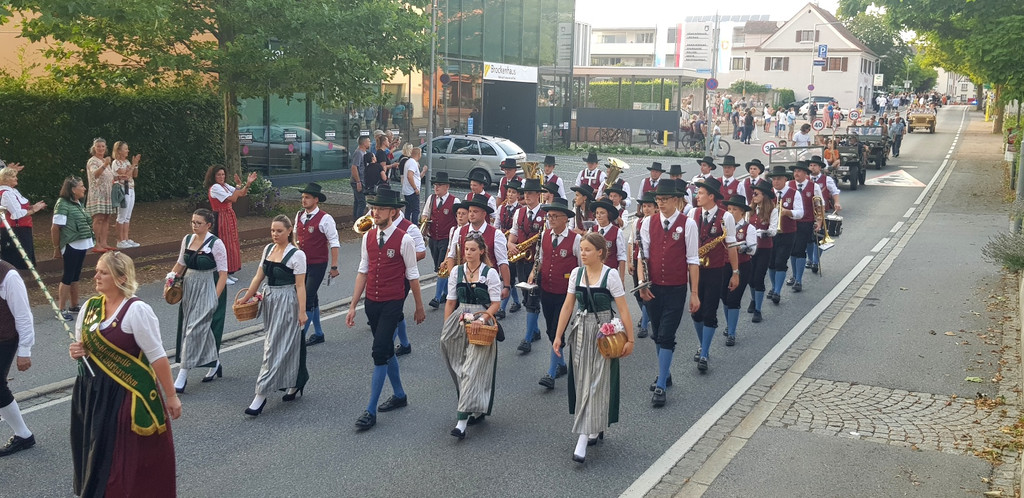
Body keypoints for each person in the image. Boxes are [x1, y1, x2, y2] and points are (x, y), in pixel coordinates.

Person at [69, 251, 181, 496]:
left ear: (120, 278)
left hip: (125, 395)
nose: (96, 276)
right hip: (92, 393)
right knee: (95, 454)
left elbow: (158, 357)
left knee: (119, 461)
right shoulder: (90, 307)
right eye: (97, 270)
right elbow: (84, 348)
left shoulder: (137, 310)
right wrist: (78, 351)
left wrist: (171, 396)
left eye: (103, 272)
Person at [345, 189, 426, 430]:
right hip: (372, 302)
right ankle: (400, 395)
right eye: (373, 208)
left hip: (393, 302)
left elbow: (413, 276)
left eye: (379, 209)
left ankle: (370, 410)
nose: (374, 212)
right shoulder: (367, 237)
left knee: (379, 352)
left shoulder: (405, 239)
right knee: (387, 350)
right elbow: (363, 271)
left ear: (393, 212)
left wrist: (419, 307)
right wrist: (352, 306)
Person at [552, 232, 634, 463]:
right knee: (581, 381)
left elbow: (624, 309)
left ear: (600, 252)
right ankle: (593, 427)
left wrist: (630, 339)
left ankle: (582, 438)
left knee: (596, 382)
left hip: (603, 333)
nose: (583, 253)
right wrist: (558, 335)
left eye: (587, 250)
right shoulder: (577, 273)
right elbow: (568, 306)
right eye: (581, 249)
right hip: (580, 331)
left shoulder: (611, 276)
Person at [236, 215, 309, 416]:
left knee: (276, 347)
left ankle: (261, 394)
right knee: (278, 343)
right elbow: (258, 277)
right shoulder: (268, 250)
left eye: (279, 231)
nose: (275, 234)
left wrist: (302, 312)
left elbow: (301, 285)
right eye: (272, 231)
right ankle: (294, 382)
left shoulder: (297, 255)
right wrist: (246, 298)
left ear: (289, 231)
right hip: (270, 301)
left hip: (288, 301)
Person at [637, 182, 699, 407]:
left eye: (664, 199)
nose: (660, 203)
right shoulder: (647, 222)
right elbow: (642, 255)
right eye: (658, 199)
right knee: (657, 331)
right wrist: (642, 283)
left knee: (667, 334)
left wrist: (695, 293)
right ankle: (665, 372)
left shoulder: (688, 224)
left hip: (676, 287)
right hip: (653, 286)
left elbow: (693, 260)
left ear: (676, 200)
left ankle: (661, 384)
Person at [440, 235, 502, 439]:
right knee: (457, 364)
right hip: (459, 320)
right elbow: (450, 302)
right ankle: (474, 405)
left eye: (473, 249)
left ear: (481, 251)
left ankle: (461, 422)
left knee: (471, 369)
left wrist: (483, 319)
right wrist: (447, 327)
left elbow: (495, 304)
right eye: (466, 249)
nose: (468, 253)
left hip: (481, 322)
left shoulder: (490, 274)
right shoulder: (457, 271)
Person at [168, 208, 227, 393]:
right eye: (193, 222)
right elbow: (180, 264)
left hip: (207, 285)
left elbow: (224, 274)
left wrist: (214, 299)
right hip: (189, 287)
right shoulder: (187, 240)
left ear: (208, 225)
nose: (194, 226)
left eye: (198, 223)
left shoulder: (216, 244)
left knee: (194, 330)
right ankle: (215, 363)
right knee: (195, 328)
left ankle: (182, 373)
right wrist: (170, 281)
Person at [527, 197, 581, 390]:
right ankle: (562, 364)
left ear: (565, 218)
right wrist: (533, 273)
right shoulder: (545, 235)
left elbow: (582, 267)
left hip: (566, 293)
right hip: (547, 289)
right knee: (550, 327)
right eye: (549, 216)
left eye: (555, 216)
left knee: (557, 329)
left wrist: (581, 293)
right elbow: (541, 258)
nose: (550, 219)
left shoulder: (576, 240)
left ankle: (550, 373)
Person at [689, 177, 739, 372]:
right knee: (696, 311)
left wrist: (735, 272)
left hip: (716, 270)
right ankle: (703, 344)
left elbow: (732, 246)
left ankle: (704, 352)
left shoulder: (726, 217)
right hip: (695, 269)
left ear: (711, 196)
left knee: (710, 311)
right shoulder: (692, 213)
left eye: (700, 193)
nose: (697, 196)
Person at [294, 184, 340, 347]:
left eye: (307, 197)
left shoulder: (325, 219)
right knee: (312, 297)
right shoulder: (299, 215)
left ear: (316, 200)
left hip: (318, 263)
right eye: (303, 197)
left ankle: (299, 338)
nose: (304, 200)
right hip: (301, 265)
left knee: (306, 298)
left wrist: (334, 266)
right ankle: (318, 333)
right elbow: (295, 237)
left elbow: (334, 242)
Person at [0, 259, 35, 457]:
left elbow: (23, 315)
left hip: (4, 338)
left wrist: (24, 351)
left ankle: (23, 435)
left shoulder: (9, 277)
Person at [508, 178, 547, 354]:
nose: (527, 196)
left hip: (538, 262)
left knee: (532, 299)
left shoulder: (546, 214)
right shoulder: (519, 212)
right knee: (526, 297)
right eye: (525, 193)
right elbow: (514, 233)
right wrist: (510, 245)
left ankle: (527, 338)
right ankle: (535, 330)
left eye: (530, 193)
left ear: (538, 195)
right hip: (522, 260)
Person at [205, 165, 257, 284]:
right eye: (219, 175)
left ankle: (227, 272)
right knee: (223, 244)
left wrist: (247, 183)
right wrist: (238, 189)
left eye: (223, 174)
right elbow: (233, 198)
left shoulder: (224, 186)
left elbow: (241, 193)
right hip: (221, 216)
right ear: (213, 176)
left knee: (231, 242)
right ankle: (221, 273)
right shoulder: (215, 188)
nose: (221, 177)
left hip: (228, 215)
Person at [52, 176, 95, 321]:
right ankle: (61, 309)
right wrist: (56, 248)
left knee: (76, 274)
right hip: (71, 244)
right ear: (72, 189)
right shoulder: (62, 204)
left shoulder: (78, 202)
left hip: (81, 243)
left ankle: (74, 304)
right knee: (68, 276)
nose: (84, 188)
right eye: (81, 186)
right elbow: (55, 228)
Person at [721, 195, 757, 345]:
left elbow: (752, 249)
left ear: (742, 212)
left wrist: (741, 247)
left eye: (734, 209)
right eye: (729, 209)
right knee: (724, 296)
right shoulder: (723, 227)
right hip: (724, 265)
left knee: (733, 298)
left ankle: (732, 332)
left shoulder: (749, 227)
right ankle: (729, 324)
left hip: (742, 265)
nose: (730, 212)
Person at [765, 166, 803, 305]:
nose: (775, 182)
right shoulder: (768, 193)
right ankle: (774, 286)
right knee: (771, 262)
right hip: (771, 232)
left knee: (781, 261)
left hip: (788, 232)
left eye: (779, 179)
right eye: (774, 179)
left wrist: (788, 212)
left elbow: (800, 213)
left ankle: (777, 291)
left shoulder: (794, 193)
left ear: (785, 179)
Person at [422, 171, 458, 308]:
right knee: (438, 268)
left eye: (440, 185)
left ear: (447, 187)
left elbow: (459, 219)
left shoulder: (455, 201)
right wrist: (424, 228)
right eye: (435, 185)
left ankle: (437, 298)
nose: (436, 188)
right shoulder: (431, 199)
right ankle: (448, 293)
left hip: (446, 239)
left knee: (442, 266)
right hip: (433, 238)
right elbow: (425, 215)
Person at [785, 161, 822, 292]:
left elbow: (818, 206)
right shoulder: (788, 185)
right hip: (790, 222)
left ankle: (799, 280)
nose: (796, 173)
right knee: (792, 250)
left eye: (799, 171)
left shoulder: (814, 187)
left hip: (805, 222)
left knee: (800, 249)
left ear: (806, 174)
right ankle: (794, 275)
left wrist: (819, 222)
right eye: (795, 171)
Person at [746, 180, 779, 323]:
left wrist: (760, 232)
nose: (753, 196)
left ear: (764, 196)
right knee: (750, 278)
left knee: (759, 278)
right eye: (753, 193)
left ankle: (758, 309)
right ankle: (753, 299)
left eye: (756, 194)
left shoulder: (773, 210)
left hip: (764, 248)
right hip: (751, 248)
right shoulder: (750, 209)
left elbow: (773, 230)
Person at [0, 167, 45, 268]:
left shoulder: (12, 191)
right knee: (15, 261)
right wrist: (34, 210)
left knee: (21, 261)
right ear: (5, 179)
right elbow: (17, 214)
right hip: (15, 230)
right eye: (13, 176)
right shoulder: (6, 193)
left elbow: (20, 207)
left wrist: (33, 206)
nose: (16, 178)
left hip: (21, 229)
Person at [628, 190, 656, 339]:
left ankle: (644, 325)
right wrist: (630, 262)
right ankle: (648, 314)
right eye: (644, 206)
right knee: (639, 294)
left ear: (655, 208)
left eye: (649, 206)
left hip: (651, 261)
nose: (646, 209)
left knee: (646, 292)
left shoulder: (657, 222)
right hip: (638, 260)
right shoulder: (636, 222)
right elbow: (631, 242)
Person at [807, 156, 841, 274]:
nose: (812, 167)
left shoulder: (826, 179)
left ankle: (816, 261)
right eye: (810, 165)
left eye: (815, 165)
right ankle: (810, 259)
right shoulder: (806, 180)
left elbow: (835, 192)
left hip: (822, 212)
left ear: (820, 167)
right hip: (808, 213)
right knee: (809, 239)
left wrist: (836, 202)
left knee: (820, 237)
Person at [497, 179, 523, 319]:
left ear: (518, 195)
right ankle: (517, 302)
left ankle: (502, 308)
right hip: (501, 244)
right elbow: (496, 225)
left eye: (513, 192)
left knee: (509, 275)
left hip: (514, 245)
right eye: (509, 192)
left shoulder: (520, 210)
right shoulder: (501, 208)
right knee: (505, 275)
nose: (510, 195)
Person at [85, 138, 116, 252]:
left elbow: (109, 176)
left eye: (103, 146)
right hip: (98, 194)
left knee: (106, 218)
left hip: (108, 193)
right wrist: (105, 164)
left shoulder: (105, 161)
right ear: (94, 148)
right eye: (98, 146)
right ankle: (96, 243)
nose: (101, 148)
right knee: (98, 218)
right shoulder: (92, 161)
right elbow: (95, 174)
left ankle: (104, 242)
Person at [111, 141, 141, 249]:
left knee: (127, 216)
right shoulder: (116, 163)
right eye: (125, 149)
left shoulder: (127, 162)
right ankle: (120, 240)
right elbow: (126, 176)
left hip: (131, 188)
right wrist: (133, 165)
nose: (127, 150)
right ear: (119, 150)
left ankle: (126, 238)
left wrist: (135, 164)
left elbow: (134, 175)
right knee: (121, 215)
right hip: (122, 189)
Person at [590, 200, 626, 286]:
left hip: (610, 275)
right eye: (597, 213)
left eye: (602, 213)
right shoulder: (592, 230)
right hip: (594, 274)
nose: (599, 216)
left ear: (608, 215)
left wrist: (621, 280)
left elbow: (621, 257)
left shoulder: (617, 232)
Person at [350, 136, 372, 218]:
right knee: (362, 203)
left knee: (357, 201)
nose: (370, 143)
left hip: (360, 181)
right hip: (357, 181)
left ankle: (355, 220)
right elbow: (354, 167)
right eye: (368, 141)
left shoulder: (364, 152)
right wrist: (358, 181)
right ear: (364, 143)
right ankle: (358, 222)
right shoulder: (359, 153)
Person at [401, 147, 422, 222]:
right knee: (415, 210)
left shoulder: (409, 161)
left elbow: (416, 177)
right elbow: (410, 175)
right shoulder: (413, 163)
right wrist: (415, 188)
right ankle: (414, 226)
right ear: (419, 154)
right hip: (411, 191)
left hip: (407, 190)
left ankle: (406, 225)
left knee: (408, 209)